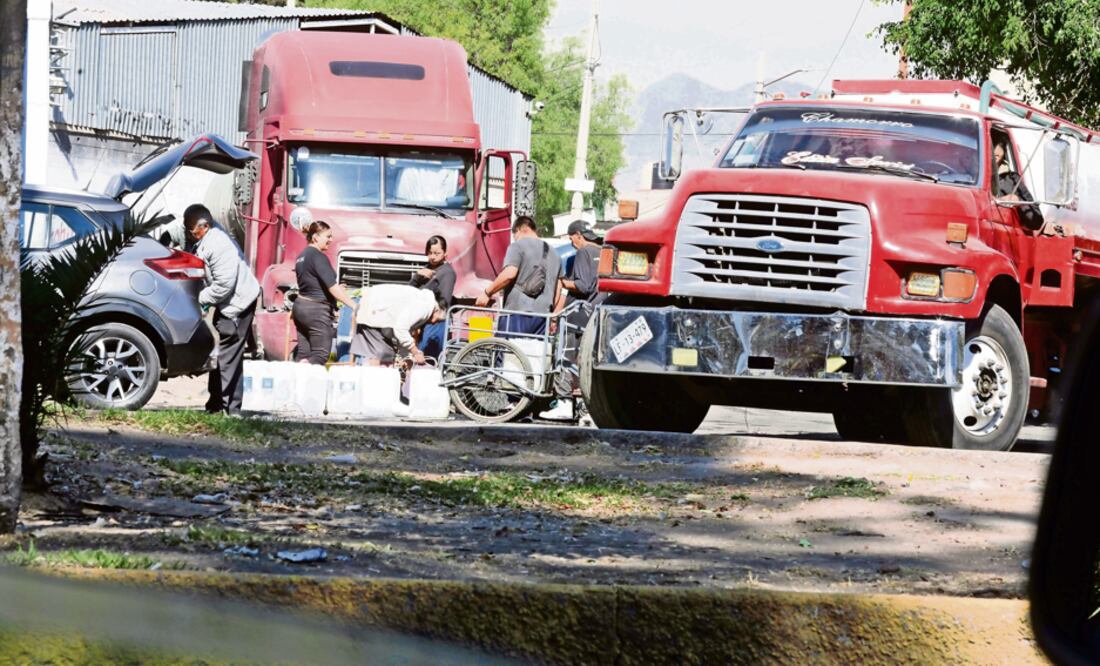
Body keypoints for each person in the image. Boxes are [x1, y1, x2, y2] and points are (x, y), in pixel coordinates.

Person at [184, 204, 260, 415]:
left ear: (205, 226)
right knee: (221, 353)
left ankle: (231, 410)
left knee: (229, 354)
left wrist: (198, 300)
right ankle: (215, 404)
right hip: (227, 301)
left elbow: (224, 285)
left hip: (238, 303)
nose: (189, 234)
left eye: (191, 230)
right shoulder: (205, 236)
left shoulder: (218, 244)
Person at [543, 220, 604, 420]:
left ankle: (564, 404)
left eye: (571, 240)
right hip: (596, 316)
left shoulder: (583, 252)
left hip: (577, 317)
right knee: (588, 364)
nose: (572, 244)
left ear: (578, 235)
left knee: (566, 358)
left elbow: (584, 285)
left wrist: (563, 282)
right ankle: (588, 409)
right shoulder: (603, 252)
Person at [475, 216, 562, 335]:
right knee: (533, 353)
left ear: (520, 230)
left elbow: (509, 274)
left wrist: (487, 293)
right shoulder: (555, 253)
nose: (515, 238)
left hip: (516, 313)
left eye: (514, 235)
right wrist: (552, 314)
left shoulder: (518, 246)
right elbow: (558, 288)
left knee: (507, 351)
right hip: (542, 317)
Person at [292, 220, 358, 365]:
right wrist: (353, 305)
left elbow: (312, 283)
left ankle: (298, 383)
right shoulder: (317, 256)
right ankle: (308, 381)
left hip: (300, 308)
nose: (331, 240)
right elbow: (331, 287)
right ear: (315, 237)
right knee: (320, 354)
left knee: (304, 354)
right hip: (316, 311)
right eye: (328, 236)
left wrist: (336, 292)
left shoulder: (301, 256)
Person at [350, 284, 444, 366]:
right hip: (374, 310)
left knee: (385, 354)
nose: (434, 323)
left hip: (373, 307)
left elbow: (402, 333)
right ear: (436, 310)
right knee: (381, 354)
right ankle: (375, 384)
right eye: (438, 320)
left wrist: (406, 357)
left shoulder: (423, 302)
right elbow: (400, 329)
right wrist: (416, 352)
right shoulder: (425, 307)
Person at [408, 235, 455, 359]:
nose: (433, 257)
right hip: (421, 321)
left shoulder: (447, 272)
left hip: (435, 322)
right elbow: (409, 291)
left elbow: (444, 301)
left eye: (437, 253)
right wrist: (417, 276)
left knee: (429, 359)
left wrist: (434, 318)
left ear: (445, 253)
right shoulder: (426, 269)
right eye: (430, 253)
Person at [992, 138, 1044, 230]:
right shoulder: (966, 175)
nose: (992, 159)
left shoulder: (1013, 179)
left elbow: (1036, 221)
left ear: (1003, 156)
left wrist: (1018, 201)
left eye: (996, 156)